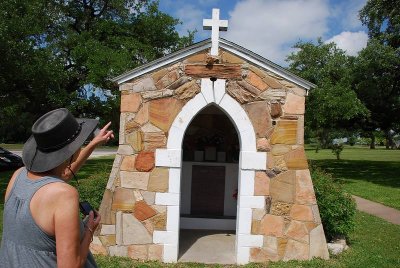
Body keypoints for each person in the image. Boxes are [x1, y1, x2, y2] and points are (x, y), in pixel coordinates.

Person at [0, 108, 114, 267]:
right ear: (72, 150)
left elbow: (63, 175)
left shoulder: (18, 175)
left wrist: (93, 144)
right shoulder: (64, 195)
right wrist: (89, 230)